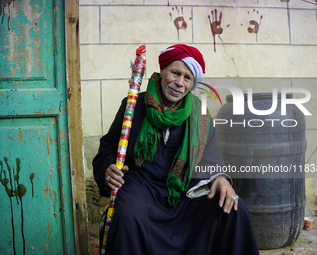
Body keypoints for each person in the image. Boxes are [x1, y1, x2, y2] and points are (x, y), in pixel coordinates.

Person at [93, 44, 259, 255]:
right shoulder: (133, 105)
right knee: (127, 215)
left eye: (187, 78)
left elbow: (211, 160)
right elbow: (108, 147)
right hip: (142, 188)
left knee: (234, 209)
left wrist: (220, 179)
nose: (179, 83)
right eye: (175, 73)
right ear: (162, 71)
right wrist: (108, 168)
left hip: (184, 191)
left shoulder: (200, 113)